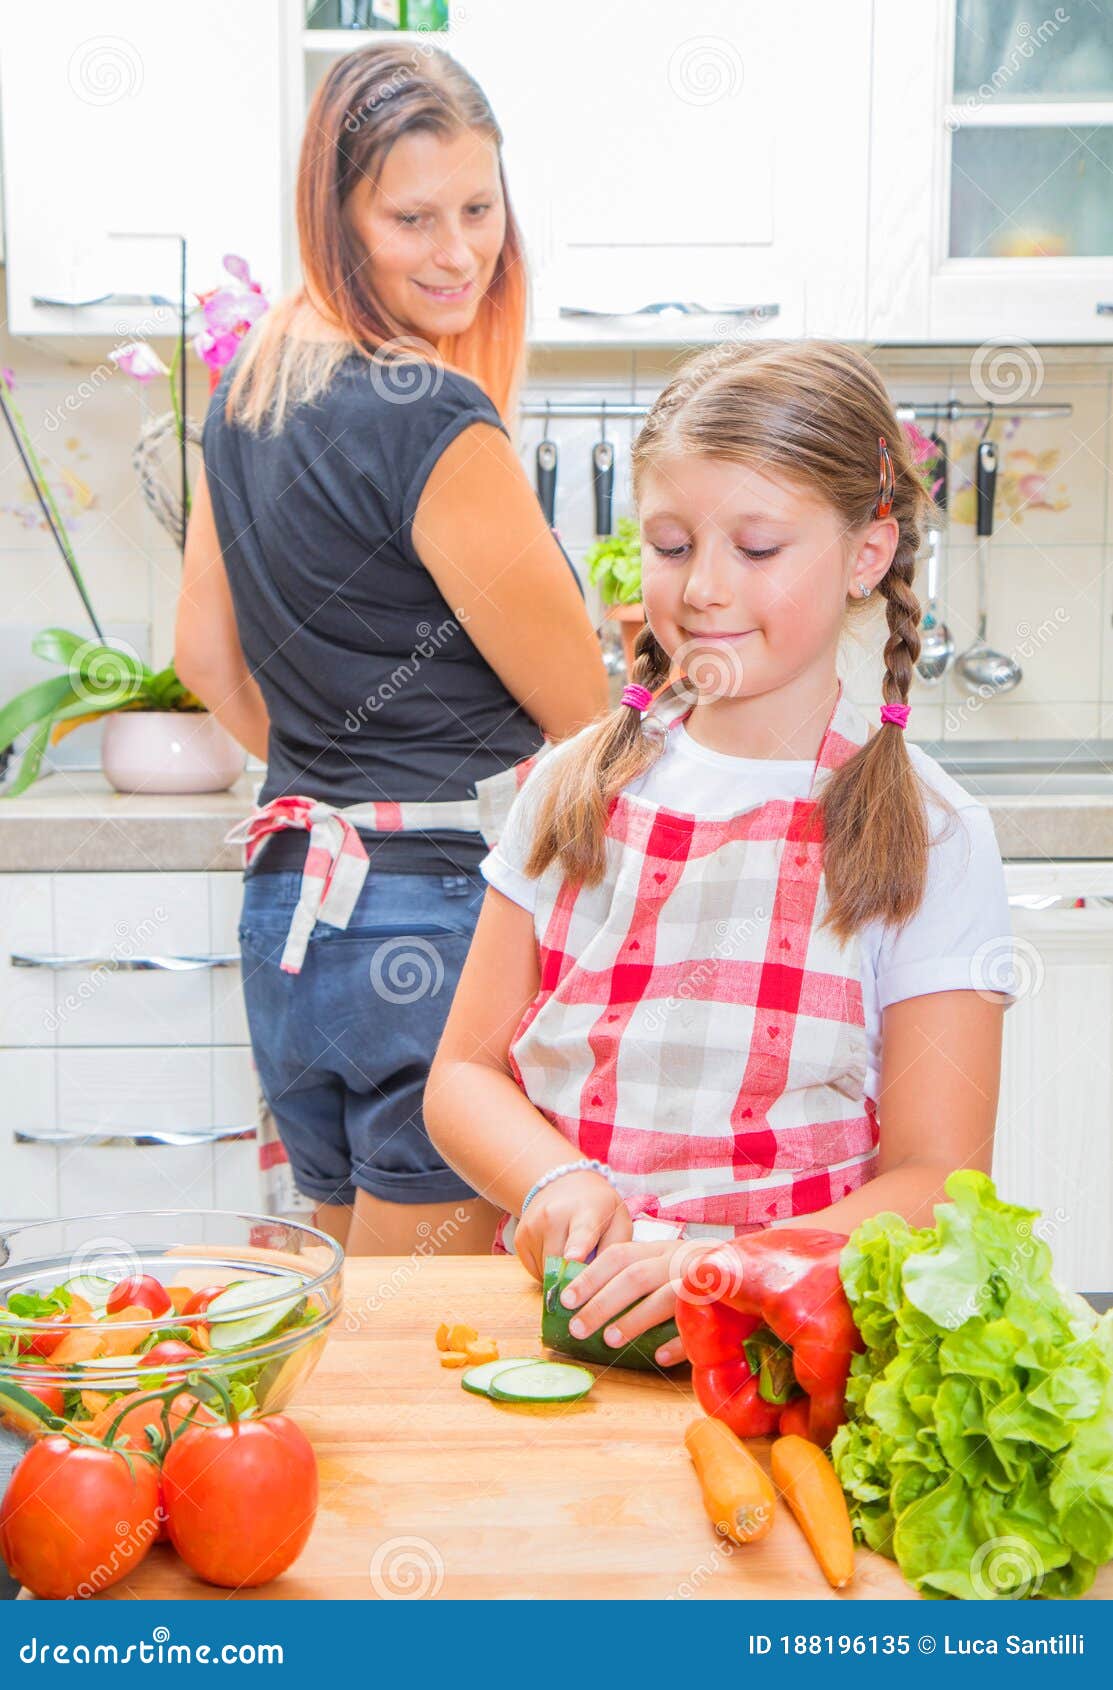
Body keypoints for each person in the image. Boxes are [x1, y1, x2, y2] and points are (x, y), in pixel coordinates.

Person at [425, 338, 1016, 1361]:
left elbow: (938, 1181)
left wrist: (728, 1266)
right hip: (567, 1334)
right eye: (669, 544)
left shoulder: (929, 832)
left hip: (791, 1351)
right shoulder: (569, 790)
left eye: (757, 549)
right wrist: (557, 1179)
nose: (702, 588)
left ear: (866, 556)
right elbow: (462, 1081)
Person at [175, 44, 608, 1257]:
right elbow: (582, 713)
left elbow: (204, 656)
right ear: (340, 221)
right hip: (437, 924)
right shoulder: (436, 418)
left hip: (294, 918)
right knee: (422, 1358)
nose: (459, 251)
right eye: (412, 217)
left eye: (479, 207)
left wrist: (342, 775)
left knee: (342, 1323)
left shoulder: (247, 389)